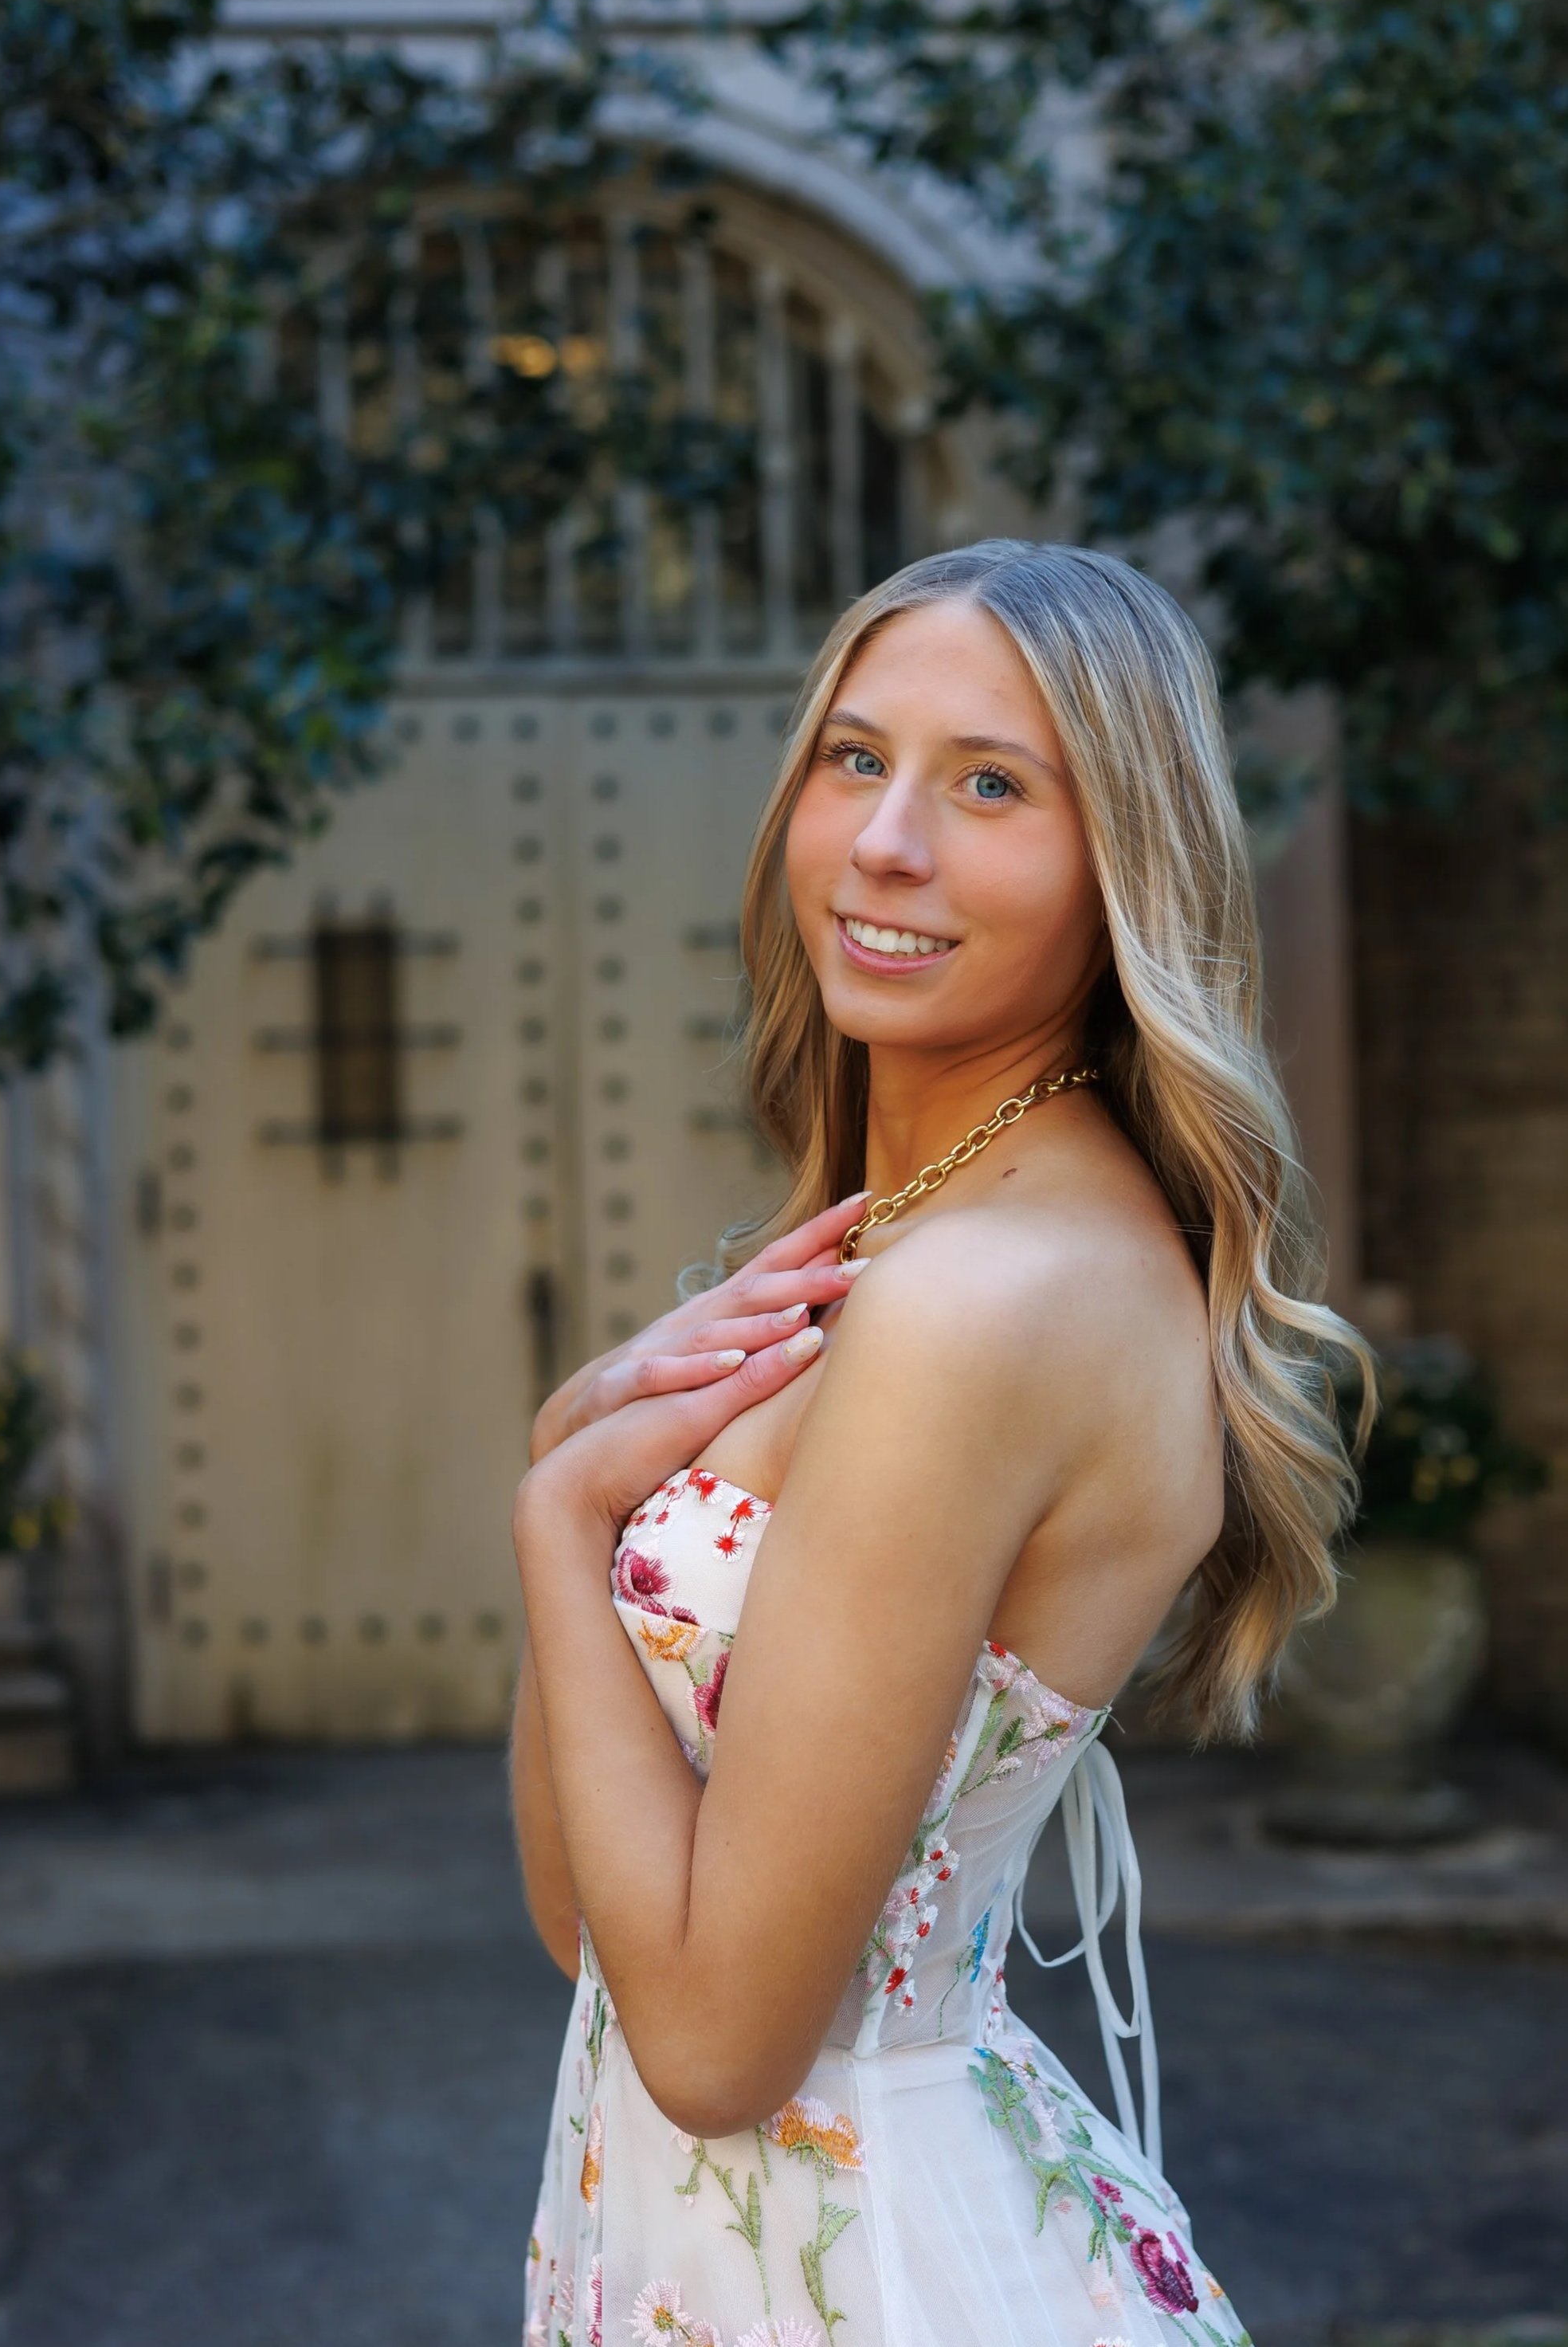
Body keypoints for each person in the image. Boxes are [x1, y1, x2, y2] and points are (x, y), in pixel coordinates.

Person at [509, 540, 1366, 2347]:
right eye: (853, 757)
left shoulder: (981, 1296)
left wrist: (557, 1520)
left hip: (866, 2271)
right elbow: (591, 1940)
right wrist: (573, 1463)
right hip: (717, 2245)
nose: (888, 842)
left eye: (992, 784)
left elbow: (721, 2047)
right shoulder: (902, 1240)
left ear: (1123, 859)